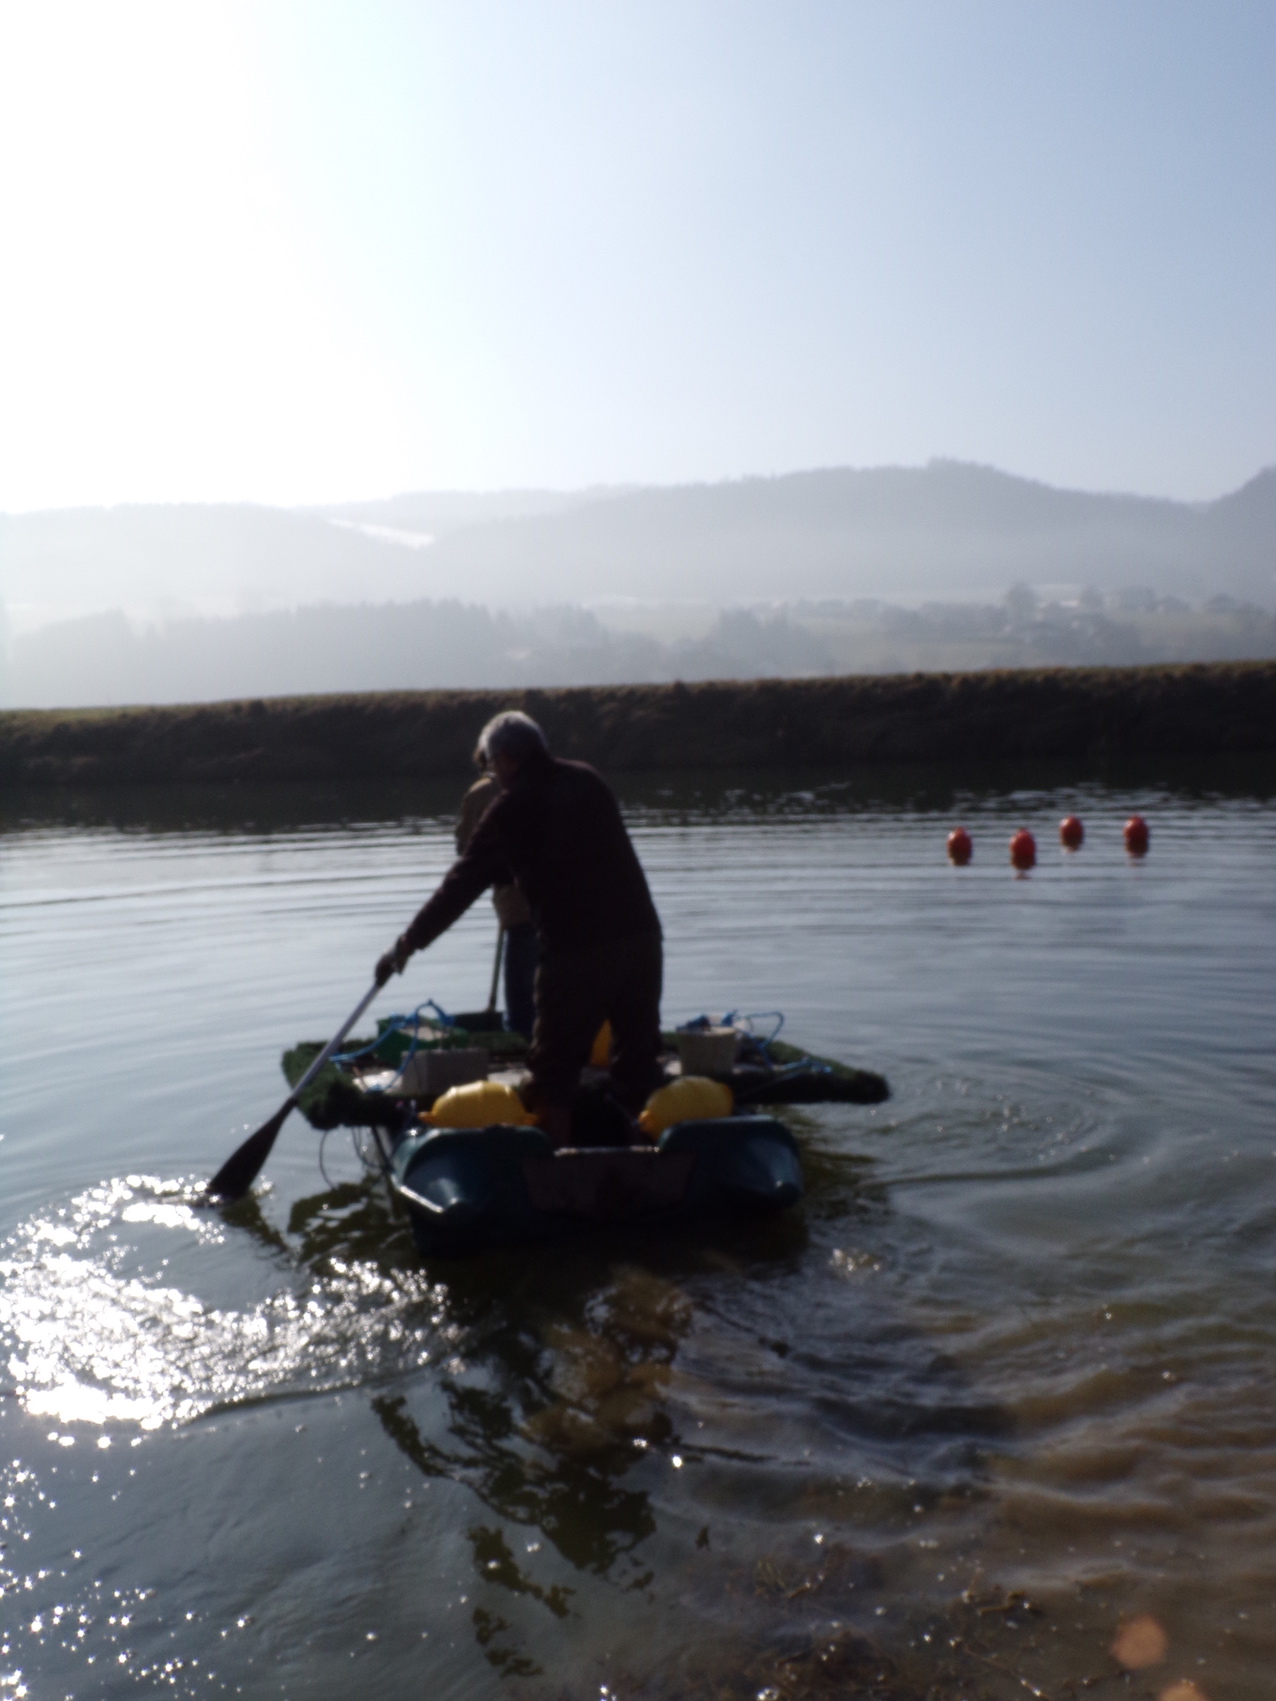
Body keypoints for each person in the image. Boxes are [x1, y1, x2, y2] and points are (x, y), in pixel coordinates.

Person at [376, 711, 664, 1147]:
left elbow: (460, 885)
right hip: (642, 942)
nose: (493, 776)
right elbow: (574, 850)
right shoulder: (588, 779)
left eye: (490, 766)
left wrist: (406, 944)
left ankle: (557, 1167)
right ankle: (645, 1157)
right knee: (637, 1063)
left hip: (577, 953)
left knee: (552, 1073)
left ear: (507, 758)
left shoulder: (512, 806)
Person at [456, 755, 538, 1037]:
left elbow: (466, 851)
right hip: (562, 906)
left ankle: (522, 1039)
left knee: (521, 1000)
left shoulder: (481, 793)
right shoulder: (547, 783)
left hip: (519, 908)